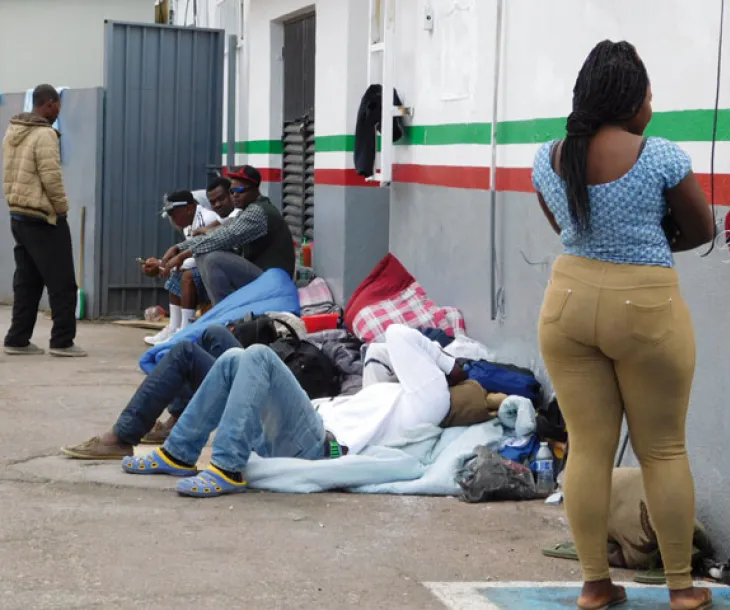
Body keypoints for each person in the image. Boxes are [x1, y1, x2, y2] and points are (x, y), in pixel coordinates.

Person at [532, 41, 714, 610]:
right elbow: (702, 229)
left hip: (567, 301)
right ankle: (682, 590)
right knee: (662, 449)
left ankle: (594, 585)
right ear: (631, 98)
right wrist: (652, 239)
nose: (653, 105)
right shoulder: (660, 156)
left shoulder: (549, 158)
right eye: (649, 94)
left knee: (586, 447)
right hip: (645, 304)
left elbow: (566, 225)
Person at [117, 325, 466, 498]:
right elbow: (377, 350)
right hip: (300, 430)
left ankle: (227, 467)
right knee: (232, 359)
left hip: (319, 445)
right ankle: (179, 453)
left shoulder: (431, 404)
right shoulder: (391, 396)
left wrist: (448, 363)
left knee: (258, 355)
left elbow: (398, 333)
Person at [61, 324, 243, 458]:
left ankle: (122, 437)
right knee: (214, 332)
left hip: (266, 396)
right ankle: (176, 422)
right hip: (267, 373)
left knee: (185, 353)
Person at [3, 84, 86, 357]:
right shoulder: (44, 134)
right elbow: (52, 177)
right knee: (62, 281)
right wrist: (61, 209)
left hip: (18, 215)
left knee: (27, 281)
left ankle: (17, 339)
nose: (58, 110)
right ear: (49, 104)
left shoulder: (13, 131)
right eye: (57, 105)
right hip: (43, 218)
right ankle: (62, 341)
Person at [160, 166, 295, 306]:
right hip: (265, 278)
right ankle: (221, 310)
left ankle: (224, 313)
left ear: (255, 189)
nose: (234, 195)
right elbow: (219, 234)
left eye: (239, 190)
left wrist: (182, 255)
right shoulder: (247, 210)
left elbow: (224, 237)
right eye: (232, 191)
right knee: (203, 253)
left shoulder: (257, 211)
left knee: (212, 258)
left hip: (273, 284)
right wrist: (178, 247)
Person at [142, 191, 221, 345]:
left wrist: (167, 264)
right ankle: (174, 326)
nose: (172, 219)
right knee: (177, 273)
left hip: (216, 269)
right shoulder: (187, 227)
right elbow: (190, 255)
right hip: (204, 265)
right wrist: (162, 263)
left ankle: (186, 328)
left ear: (189, 209)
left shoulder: (207, 218)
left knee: (185, 275)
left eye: (174, 213)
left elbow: (203, 254)